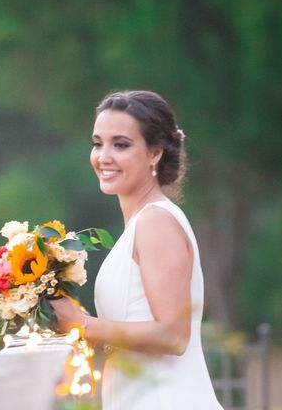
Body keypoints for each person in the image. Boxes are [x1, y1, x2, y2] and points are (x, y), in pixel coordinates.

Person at [51, 90, 223, 409]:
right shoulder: (141, 224)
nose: (104, 156)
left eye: (121, 144)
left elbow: (174, 336)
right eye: (97, 143)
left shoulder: (156, 222)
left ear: (155, 153)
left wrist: (81, 324)